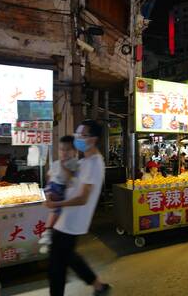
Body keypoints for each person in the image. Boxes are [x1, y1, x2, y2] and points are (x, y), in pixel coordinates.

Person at [45, 120, 110, 296]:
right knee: (69, 258)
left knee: (56, 267)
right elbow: (71, 182)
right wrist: (60, 173)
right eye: (77, 134)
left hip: (72, 222)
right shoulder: (84, 161)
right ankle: (98, 285)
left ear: (94, 139)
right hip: (66, 219)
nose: (78, 138)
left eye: (82, 135)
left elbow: (82, 198)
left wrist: (55, 204)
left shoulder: (94, 163)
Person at [38, 136, 79, 254]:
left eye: (67, 150)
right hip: (53, 188)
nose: (64, 152)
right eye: (61, 149)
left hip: (62, 190)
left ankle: (48, 234)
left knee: (56, 211)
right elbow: (49, 176)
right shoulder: (56, 163)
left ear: (75, 152)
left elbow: (69, 180)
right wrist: (48, 191)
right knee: (53, 211)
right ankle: (48, 234)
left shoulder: (74, 163)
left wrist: (63, 166)